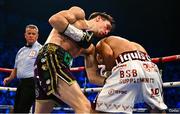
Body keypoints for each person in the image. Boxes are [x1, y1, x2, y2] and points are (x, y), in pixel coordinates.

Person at [34, 6, 114, 113]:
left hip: (55, 65)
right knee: (85, 108)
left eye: (109, 31)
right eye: (107, 27)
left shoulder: (90, 48)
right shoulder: (79, 15)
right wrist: (80, 36)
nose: (107, 32)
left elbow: (93, 77)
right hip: (51, 57)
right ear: (98, 18)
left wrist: (114, 80)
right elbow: (54, 19)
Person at [84, 35, 168, 113]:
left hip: (129, 68)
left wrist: (108, 71)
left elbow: (108, 54)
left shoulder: (102, 43)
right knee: (157, 108)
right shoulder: (134, 44)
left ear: (99, 56)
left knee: (98, 108)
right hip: (151, 69)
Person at [3, 24, 42, 113]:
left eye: (33, 34)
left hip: (32, 83)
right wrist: (9, 78)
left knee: (22, 110)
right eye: (29, 33)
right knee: (16, 109)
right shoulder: (21, 50)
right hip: (21, 83)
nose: (31, 35)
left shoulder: (41, 49)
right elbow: (16, 68)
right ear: (25, 35)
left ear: (37, 36)